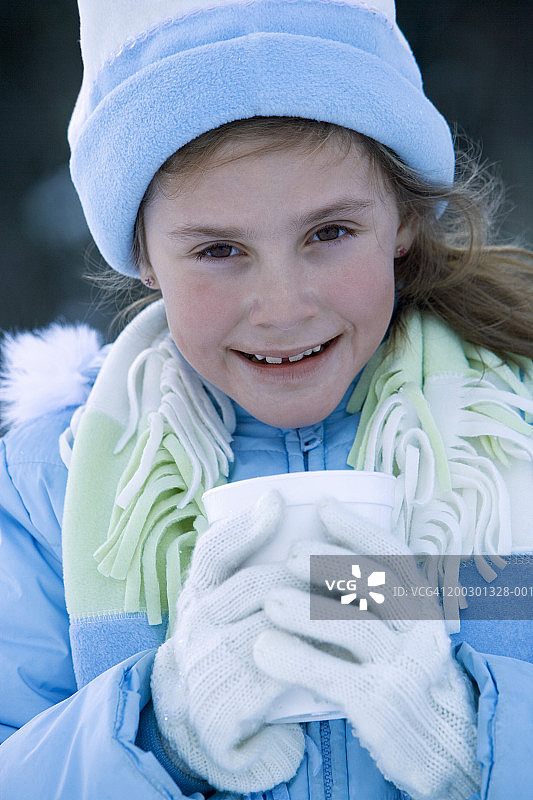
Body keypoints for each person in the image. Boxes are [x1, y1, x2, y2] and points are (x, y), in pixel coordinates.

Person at [1, 0, 532, 797]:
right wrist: (159, 733)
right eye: (218, 250)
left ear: (400, 221)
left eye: (328, 234)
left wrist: (476, 744)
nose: (282, 306)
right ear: (145, 256)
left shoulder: (515, 430)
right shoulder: (51, 484)